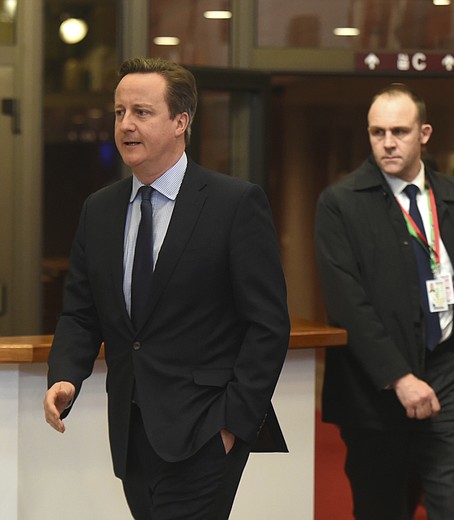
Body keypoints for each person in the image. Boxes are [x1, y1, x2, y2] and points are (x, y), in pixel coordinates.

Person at [43, 57, 290, 519]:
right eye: (119, 113)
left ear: (181, 121)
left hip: (205, 432)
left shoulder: (234, 204)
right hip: (133, 435)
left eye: (141, 112)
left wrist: (233, 423)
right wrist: (65, 375)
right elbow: (80, 311)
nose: (126, 125)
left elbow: (268, 325)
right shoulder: (99, 210)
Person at [314, 83, 454, 520]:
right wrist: (400, 378)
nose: (388, 143)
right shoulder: (340, 203)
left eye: (399, 131)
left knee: (453, 505)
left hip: (452, 371)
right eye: (377, 133)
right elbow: (347, 304)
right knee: (382, 507)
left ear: (425, 133)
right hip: (375, 389)